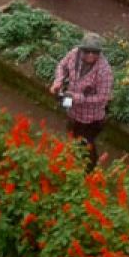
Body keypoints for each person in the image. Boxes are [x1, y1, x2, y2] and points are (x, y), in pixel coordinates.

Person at [48, 32, 112, 170]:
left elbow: (102, 97)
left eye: (94, 52)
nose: (90, 55)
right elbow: (61, 66)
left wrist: (77, 97)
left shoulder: (104, 71)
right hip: (73, 110)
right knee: (74, 135)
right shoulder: (74, 54)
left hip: (91, 117)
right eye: (86, 51)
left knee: (87, 143)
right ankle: (77, 160)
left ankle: (90, 170)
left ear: (99, 53)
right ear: (81, 49)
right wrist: (58, 81)